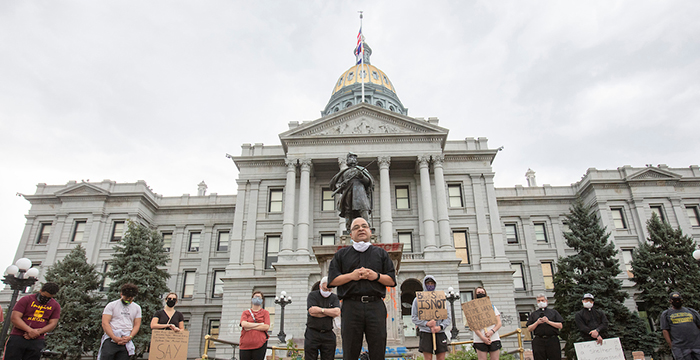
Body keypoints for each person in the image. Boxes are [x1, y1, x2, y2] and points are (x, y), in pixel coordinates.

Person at [328, 217, 397, 360]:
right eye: (356, 227)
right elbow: (333, 280)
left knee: (378, 350)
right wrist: (352, 276)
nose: (361, 229)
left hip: (375, 305)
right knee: (350, 351)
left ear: (370, 231)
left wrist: (375, 276)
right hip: (351, 307)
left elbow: (391, 280)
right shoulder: (341, 255)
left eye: (364, 226)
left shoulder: (381, 253)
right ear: (351, 234)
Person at [5, 282, 61, 360]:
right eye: (44, 296)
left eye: (48, 298)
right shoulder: (26, 299)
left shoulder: (55, 305)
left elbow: (53, 323)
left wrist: (38, 332)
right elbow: (15, 318)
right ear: (40, 290)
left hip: (37, 340)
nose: (45, 299)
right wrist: (30, 330)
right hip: (18, 337)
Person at [330, 152, 374, 232]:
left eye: (354, 158)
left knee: (363, 209)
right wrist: (340, 186)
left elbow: (368, 182)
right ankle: (348, 229)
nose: (352, 160)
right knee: (348, 211)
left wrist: (361, 176)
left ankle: (367, 226)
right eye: (350, 158)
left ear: (356, 161)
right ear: (347, 161)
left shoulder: (361, 170)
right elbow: (337, 184)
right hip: (348, 193)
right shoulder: (344, 172)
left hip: (360, 192)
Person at [411, 275, 451, 360]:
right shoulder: (417, 300)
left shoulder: (441, 298)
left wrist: (440, 327)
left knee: (441, 358)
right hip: (425, 333)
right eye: (428, 283)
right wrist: (426, 323)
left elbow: (448, 317)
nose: (430, 285)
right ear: (424, 285)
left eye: (432, 283)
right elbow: (414, 317)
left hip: (440, 332)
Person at [99, 283, 142, 360]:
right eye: (126, 297)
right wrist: (114, 337)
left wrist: (130, 337)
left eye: (131, 298)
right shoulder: (111, 305)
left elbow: (137, 325)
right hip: (111, 339)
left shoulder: (137, 308)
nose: (128, 300)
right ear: (121, 294)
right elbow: (105, 323)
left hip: (126, 340)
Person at [305, 277, 341, 360]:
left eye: (330, 289)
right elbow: (312, 312)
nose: (327, 291)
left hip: (328, 333)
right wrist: (329, 313)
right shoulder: (312, 295)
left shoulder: (334, 297)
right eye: (325, 289)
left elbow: (337, 312)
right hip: (312, 332)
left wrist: (321, 310)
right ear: (320, 286)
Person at [660, 292, 700, 360]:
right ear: (670, 301)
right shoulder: (666, 314)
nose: (677, 301)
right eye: (674, 300)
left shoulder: (691, 311)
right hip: (680, 348)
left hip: (696, 346)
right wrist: (671, 345)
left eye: (679, 299)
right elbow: (665, 330)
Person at [526, 294, 563, 360]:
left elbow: (560, 325)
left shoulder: (553, 312)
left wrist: (548, 322)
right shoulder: (534, 314)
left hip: (552, 340)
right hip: (539, 340)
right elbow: (529, 328)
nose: (541, 302)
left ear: (546, 301)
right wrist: (537, 322)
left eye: (542, 300)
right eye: (539, 301)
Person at [472, 287, 502, 360]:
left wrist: (492, 331)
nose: (481, 294)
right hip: (479, 339)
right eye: (479, 292)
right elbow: (474, 326)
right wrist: (483, 338)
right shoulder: (472, 309)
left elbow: (499, 323)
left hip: (494, 338)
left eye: (482, 292)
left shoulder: (492, 307)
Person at [239, 291, 270, 360]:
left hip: (260, 344)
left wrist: (249, 326)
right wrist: (260, 324)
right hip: (245, 345)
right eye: (255, 297)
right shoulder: (245, 313)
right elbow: (243, 324)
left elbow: (266, 326)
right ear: (252, 299)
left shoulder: (265, 313)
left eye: (259, 297)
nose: (257, 299)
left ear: (262, 300)